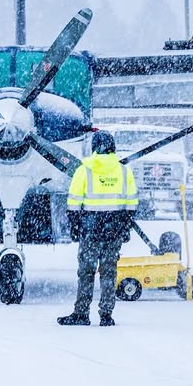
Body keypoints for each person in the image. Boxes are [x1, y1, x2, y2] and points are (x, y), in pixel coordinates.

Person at [58, 130, 139, 327]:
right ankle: (106, 315)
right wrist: (125, 225)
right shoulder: (124, 171)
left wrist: (75, 225)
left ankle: (81, 313)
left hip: (90, 228)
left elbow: (73, 202)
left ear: (94, 147)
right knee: (109, 272)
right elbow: (132, 202)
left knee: (86, 272)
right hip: (114, 228)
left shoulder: (84, 170)